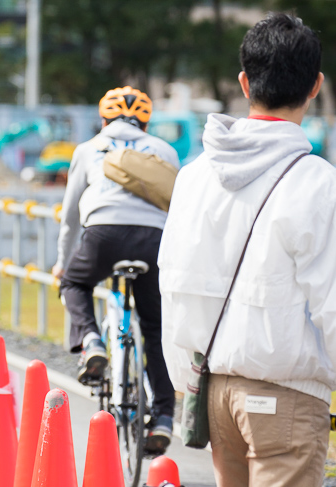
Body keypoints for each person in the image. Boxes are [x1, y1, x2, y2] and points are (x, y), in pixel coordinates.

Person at [158, 13, 336, 486]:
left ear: (244, 81)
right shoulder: (318, 184)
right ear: (315, 85)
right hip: (285, 393)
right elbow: (332, 302)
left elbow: (171, 278)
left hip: (211, 389)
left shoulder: (194, 176)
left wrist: (186, 381)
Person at [52, 86, 180, 452]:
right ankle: (165, 418)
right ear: (145, 120)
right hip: (153, 242)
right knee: (154, 328)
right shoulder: (165, 150)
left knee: (75, 283)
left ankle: (92, 342)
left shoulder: (87, 149)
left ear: (104, 119)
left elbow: (72, 215)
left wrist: (63, 264)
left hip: (102, 236)